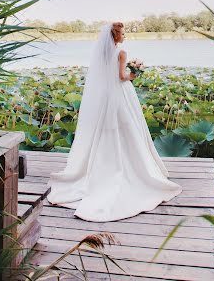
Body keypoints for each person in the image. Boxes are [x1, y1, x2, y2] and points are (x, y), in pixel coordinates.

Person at [47, 21, 182, 221]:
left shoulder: (102, 53)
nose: (124, 36)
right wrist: (133, 75)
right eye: (123, 33)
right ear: (116, 36)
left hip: (105, 97)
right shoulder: (121, 53)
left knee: (108, 128)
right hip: (120, 93)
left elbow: (103, 75)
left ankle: (103, 161)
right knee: (127, 126)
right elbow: (121, 77)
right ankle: (129, 164)